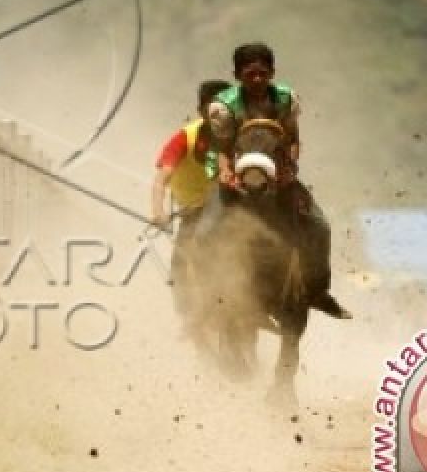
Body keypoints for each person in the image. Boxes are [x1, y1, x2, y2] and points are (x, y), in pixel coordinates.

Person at [207, 42, 350, 319]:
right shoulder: (223, 107)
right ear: (238, 75)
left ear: (272, 72)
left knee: (320, 226)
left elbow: (293, 140)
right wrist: (226, 172)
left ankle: (318, 291)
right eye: (250, 74)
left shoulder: (285, 100)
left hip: (277, 176)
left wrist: (290, 166)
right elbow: (223, 148)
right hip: (238, 177)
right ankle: (211, 295)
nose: (258, 79)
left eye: (263, 73)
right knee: (206, 230)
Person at [150, 79, 232, 319]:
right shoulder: (184, 138)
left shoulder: (245, 134)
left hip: (235, 207)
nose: (220, 116)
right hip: (193, 214)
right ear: (201, 111)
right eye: (213, 109)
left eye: (225, 109)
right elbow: (160, 180)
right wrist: (158, 211)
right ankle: (188, 319)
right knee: (179, 269)